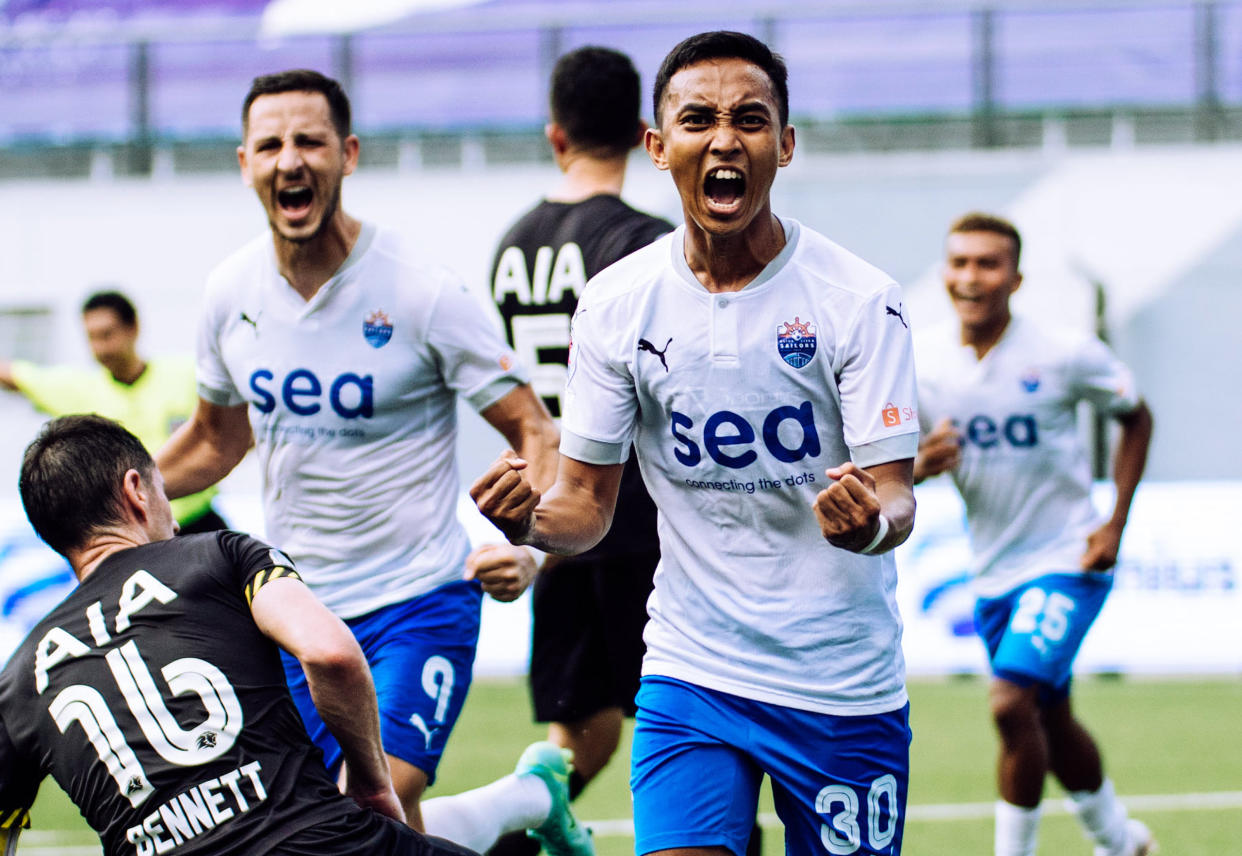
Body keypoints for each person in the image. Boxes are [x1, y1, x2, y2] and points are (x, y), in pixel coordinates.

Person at [474, 31, 920, 856]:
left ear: (784, 145)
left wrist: (873, 523)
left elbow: (896, 492)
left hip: (840, 681)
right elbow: (587, 505)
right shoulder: (615, 303)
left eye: (751, 120)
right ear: (657, 146)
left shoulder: (859, 300)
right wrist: (532, 522)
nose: (724, 139)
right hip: (692, 668)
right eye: (698, 120)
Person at [154, 69, 588, 856]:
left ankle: (518, 800)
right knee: (348, 828)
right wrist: (114, 501)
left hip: (419, 597)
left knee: (370, 802)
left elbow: (536, 430)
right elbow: (217, 440)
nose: (292, 160)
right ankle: (526, 798)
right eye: (272, 145)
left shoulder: (420, 291)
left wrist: (529, 548)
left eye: (310, 141)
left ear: (347, 154)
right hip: (297, 612)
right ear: (244, 163)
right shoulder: (230, 293)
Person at [0, 413, 478, 856]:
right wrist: (373, 787)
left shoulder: (18, 681)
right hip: (316, 839)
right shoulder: (220, 555)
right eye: (164, 490)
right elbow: (328, 652)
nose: (176, 516)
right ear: (135, 491)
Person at [913, 212, 1156, 856]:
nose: (971, 277)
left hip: (1067, 558)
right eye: (960, 262)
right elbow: (898, 467)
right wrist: (920, 467)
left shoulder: (1064, 352)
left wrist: (1114, 522)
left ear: (1015, 278)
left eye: (987, 264)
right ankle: (1122, 842)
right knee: (1049, 715)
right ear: (944, 273)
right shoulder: (925, 362)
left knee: (1008, 703)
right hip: (992, 572)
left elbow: (1137, 418)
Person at [487, 45, 680, 856]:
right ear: (645, 137)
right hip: (639, 514)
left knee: (581, 723)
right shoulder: (649, 242)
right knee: (687, 713)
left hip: (553, 512)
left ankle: (521, 828)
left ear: (554, 134)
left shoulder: (514, 244)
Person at [0, 290, 227, 534]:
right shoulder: (80, 390)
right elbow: (16, 376)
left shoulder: (187, 376)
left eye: (107, 334)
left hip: (197, 522)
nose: (101, 348)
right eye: (92, 337)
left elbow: (231, 430)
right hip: (131, 533)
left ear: (134, 328)